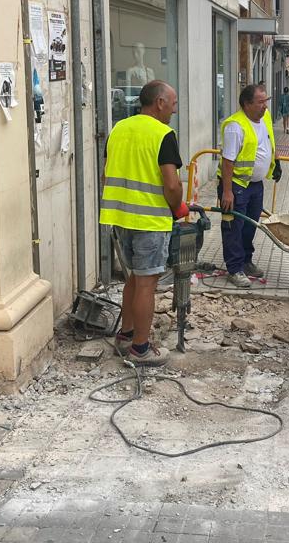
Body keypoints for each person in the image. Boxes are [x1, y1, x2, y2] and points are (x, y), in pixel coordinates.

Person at [100, 80, 186, 366]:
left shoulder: (118, 129)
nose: (173, 110)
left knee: (133, 280)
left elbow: (106, 173)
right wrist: (178, 206)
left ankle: (125, 336)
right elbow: (171, 185)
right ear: (159, 102)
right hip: (150, 218)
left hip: (120, 216)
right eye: (172, 104)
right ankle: (140, 349)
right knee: (147, 284)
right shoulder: (163, 134)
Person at [218, 84, 278, 288]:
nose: (265, 106)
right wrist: (227, 192)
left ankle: (246, 260)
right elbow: (228, 161)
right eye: (260, 102)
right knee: (234, 227)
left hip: (255, 185)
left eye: (266, 101)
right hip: (236, 185)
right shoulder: (236, 126)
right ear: (247, 104)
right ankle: (234, 268)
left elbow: (268, 142)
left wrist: (275, 161)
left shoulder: (263, 118)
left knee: (250, 225)